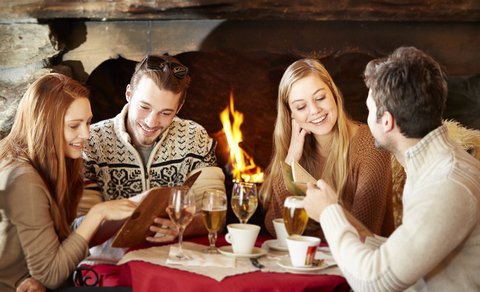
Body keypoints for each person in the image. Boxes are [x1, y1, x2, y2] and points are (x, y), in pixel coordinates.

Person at [304, 47, 480, 291]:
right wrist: (346, 222)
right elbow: (411, 250)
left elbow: (374, 282)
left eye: (368, 110)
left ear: (386, 121)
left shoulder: (446, 185)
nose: (366, 118)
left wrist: (328, 212)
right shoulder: (432, 165)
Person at [78, 54, 225, 263]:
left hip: (173, 263)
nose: (151, 122)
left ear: (179, 108)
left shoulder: (196, 137)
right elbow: (80, 230)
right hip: (107, 265)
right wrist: (139, 206)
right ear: (128, 94)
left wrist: (183, 227)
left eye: (165, 113)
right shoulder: (90, 142)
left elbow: (214, 216)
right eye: (144, 107)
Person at [0, 73, 138, 291]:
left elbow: (55, 248)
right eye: (74, 126)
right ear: (44, 125)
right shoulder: (23, 180)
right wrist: (98, 213)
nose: (86, 134)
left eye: (88, 122)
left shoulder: (55, 160)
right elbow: (51, 274)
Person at [259, 58, 395, 242]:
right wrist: (290, 164)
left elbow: (362, 234)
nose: (315, 110)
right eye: (301, 106)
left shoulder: (370, 145)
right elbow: (276, 228)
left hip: (362, 265)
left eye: (320, 97)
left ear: (333, 93)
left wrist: (306, 233)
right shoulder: (299, 152)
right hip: (312, 262)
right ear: (292, 114)